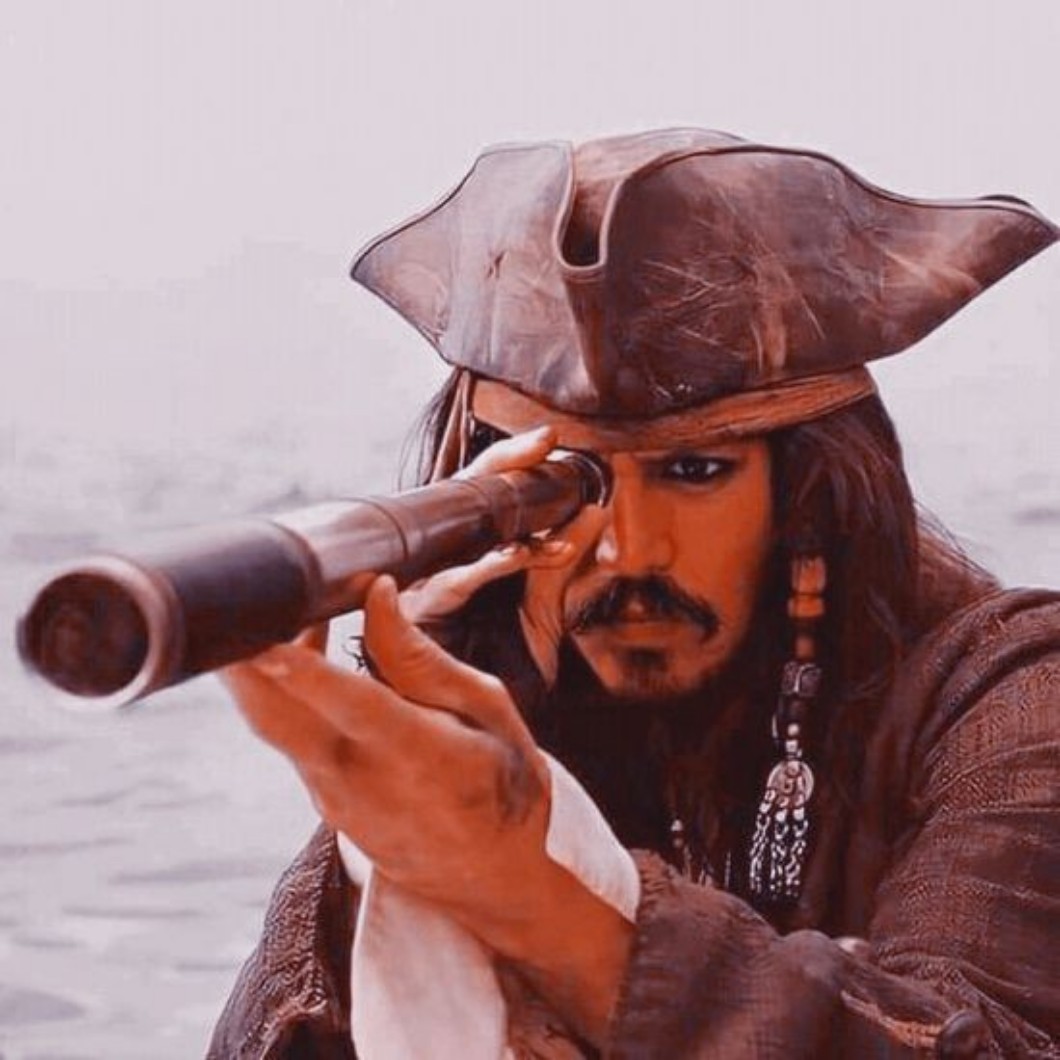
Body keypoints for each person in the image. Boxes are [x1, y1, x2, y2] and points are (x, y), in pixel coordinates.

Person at [208, 129, 1060, 1059]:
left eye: (694, 471)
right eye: (573, 483)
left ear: (807, 497)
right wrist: (386, 823)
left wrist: (517, 879)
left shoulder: (1010, 692)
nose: (627, 550)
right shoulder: (512, 692)